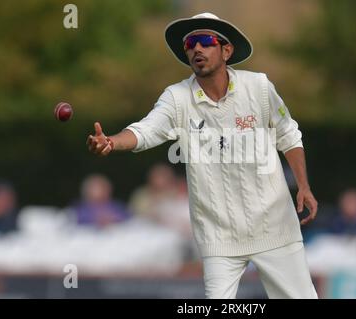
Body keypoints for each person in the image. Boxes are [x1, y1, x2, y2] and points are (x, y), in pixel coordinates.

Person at [86, 13, 318, 298]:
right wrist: (112, 141)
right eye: (190, 44)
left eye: (206, 41)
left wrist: (304, 186)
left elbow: (288, 135)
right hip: (218, 236)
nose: (197, 48)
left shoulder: (258, 87)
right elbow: (145, 130)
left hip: (274, 226)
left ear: (226, 50)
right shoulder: (177, 97)